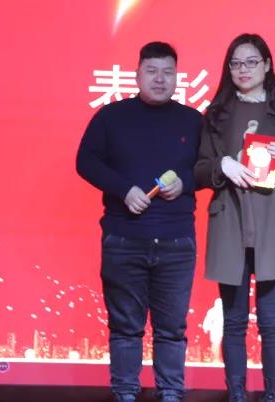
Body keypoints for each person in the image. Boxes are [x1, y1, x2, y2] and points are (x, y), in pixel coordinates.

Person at [76, 41, 202, 402]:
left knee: (172, 329)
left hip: (177, 242)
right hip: (124, 239)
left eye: (168, 72)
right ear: (137, 74)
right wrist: (123, 189)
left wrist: (186, 183)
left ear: (176, 77)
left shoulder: (194, 121)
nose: (160, 79)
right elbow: (86, 161)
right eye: (152, 71)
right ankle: (125, 393)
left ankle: (171, 393)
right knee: (125, 328)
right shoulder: (111, 116)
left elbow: (209, 168)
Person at [194, 33, 275, 402]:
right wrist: (221, 165)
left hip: (272, 225)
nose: (242, 69)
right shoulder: (216, 113)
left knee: (270, 322)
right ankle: (236, 394)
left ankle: (273, 395)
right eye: (235, 63)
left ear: (267, 65)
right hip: (230, 221)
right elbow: (198, 171)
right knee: (233, 322)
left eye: (250, 62)